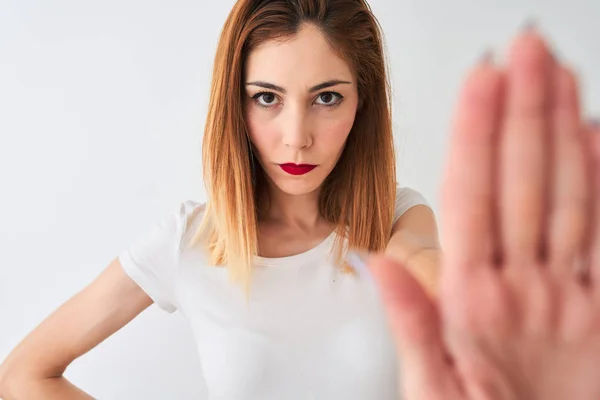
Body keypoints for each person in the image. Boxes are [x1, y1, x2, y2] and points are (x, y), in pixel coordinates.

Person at [0, 0, 598, 399]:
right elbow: (24, 375)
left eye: (327, 98)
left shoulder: (398, 220)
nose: (295, 135)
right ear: (235, 103)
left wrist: (496, 310)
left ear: (362, 104)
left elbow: (430, 269)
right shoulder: (187, 243)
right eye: (267, 97)